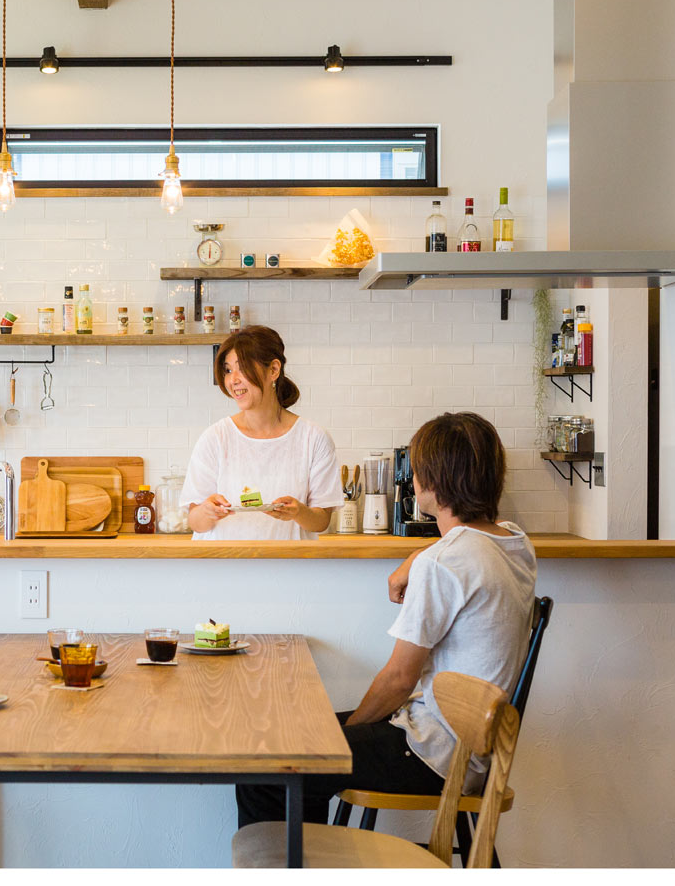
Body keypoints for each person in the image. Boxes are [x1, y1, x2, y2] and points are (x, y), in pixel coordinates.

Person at [236, 411, 537, 827]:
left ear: (434, 481)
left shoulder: (445, 564)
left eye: (417, 469)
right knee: (295, 738)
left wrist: (346, 736)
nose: (412, 478)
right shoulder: (514, 543)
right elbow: (466, 543)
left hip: (434, 752)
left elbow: (399, 680)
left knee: (268, 764)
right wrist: (417, 557)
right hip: (475, 750)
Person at [180, 326, 343, 540]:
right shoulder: (215, 438)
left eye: (242, 368)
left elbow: (321, 521)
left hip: (288, 568)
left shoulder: (313, 438)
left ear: (273, 370)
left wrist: (299, 512)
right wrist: (207, 512)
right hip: (224, 567)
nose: (233, 380)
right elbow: (195, 522)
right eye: (228, 370)